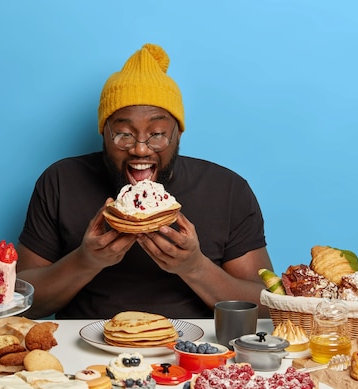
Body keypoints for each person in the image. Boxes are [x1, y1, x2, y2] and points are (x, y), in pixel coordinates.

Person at [16, 43, 273, 320]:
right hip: (84, 351)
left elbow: (268, 307)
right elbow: (23, 301)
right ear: (104, 134)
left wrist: (195, 267)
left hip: (196, 352)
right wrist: (85, 261)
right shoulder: (60, 181)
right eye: (124, 134)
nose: (140, 149)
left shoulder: (227, 190)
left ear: (178, 135)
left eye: (157, 134)